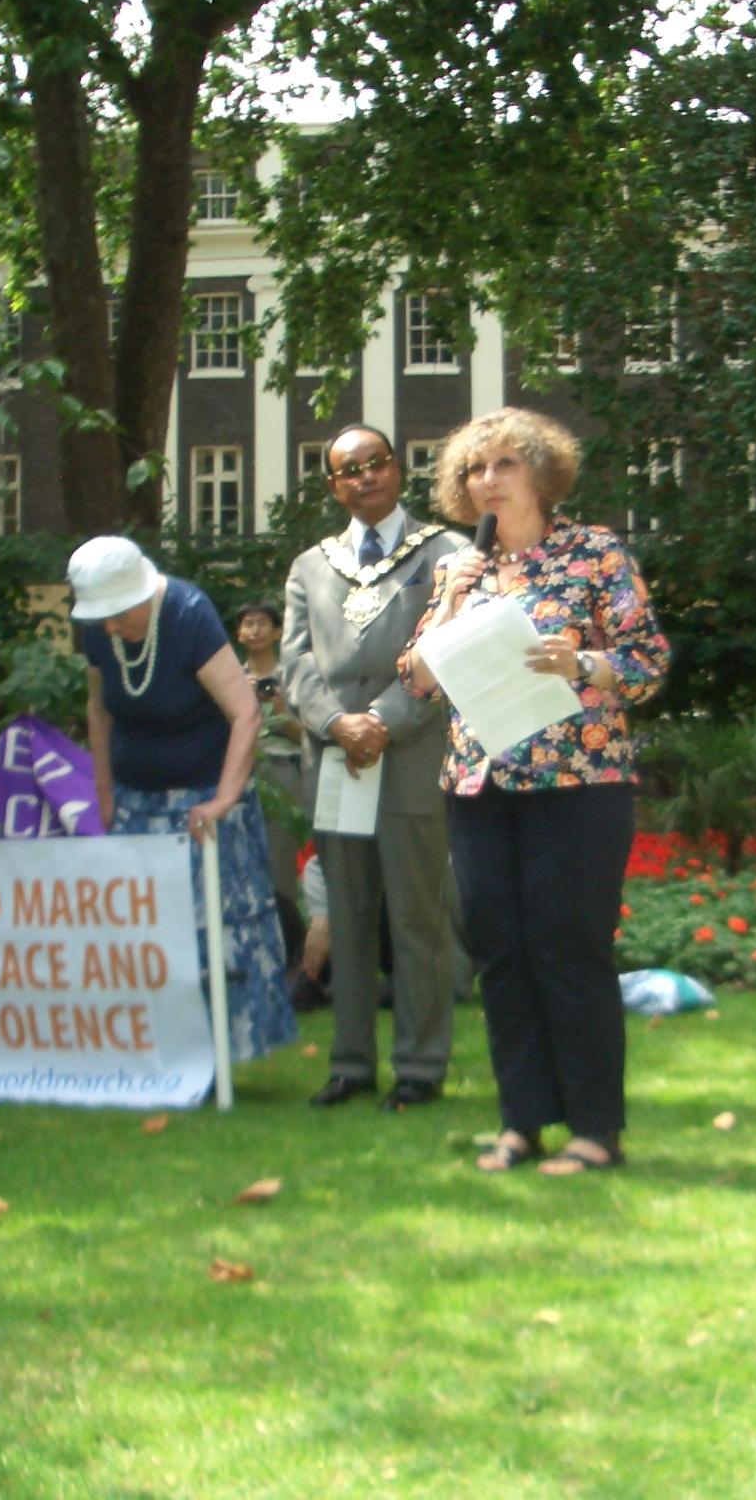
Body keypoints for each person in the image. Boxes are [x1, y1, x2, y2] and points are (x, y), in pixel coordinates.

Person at [401, 408, 670, 1175]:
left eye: (505, 464)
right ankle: (521, 1123)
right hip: (481, 786)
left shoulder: (594, 554)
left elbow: (646, 661)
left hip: (579, 781)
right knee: (502, 954)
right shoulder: (462, 568)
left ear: (542, 473)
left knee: (568, 948)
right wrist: (450, 603)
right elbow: (417, 680)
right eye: (474, 469)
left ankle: (594, 1131)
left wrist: (581, 664)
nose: (487, 480)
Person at [280, 424, 468, 1111]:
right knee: (348, 919)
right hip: (335, 761)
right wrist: (336, 723)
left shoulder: (447, 551)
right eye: (348, 469)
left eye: (376, 463)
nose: (365, 476)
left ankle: (420, 1067)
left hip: (411, 757)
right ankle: (351, 1064)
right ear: (333, 485)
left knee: (416, 920)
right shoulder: (311, 566)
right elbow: (295, 662)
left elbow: (449, 650)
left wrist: (382, 721)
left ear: (397, 469)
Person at [72, 536, 297, 1063]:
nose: (108, 628)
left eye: (118, 616)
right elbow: (98, 710)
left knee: (213, 936)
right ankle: (155, 1056)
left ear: (143, 596)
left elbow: (246, 712)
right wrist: (103, 792)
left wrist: (224, 798)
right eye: (99, 618)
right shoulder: (99, 628)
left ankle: (218, 1059)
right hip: (136, 801)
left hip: (206, 803)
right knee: (144, 933)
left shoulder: (187, 613)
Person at [234, 599, 305, 920]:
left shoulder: (292, 676)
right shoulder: (231, 677)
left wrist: (278, 709)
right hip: (243, 770)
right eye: (248, 624)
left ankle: (286, 929)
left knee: (279, 855)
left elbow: (305, 737)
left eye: (262, 623)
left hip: (283, 770)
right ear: (238, 634)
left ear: (277, 632)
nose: (255, 630)